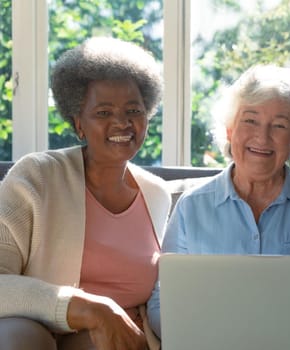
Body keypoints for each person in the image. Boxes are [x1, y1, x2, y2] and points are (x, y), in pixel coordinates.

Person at [147, 64, 290, 350]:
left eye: (279, 125)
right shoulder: (191, 207)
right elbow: (162, 301)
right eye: (250, 120)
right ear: (230, 130)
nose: (262, 136)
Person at [0, 37, 171, 350]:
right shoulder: (36, 176)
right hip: (38, 337)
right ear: (79, 124)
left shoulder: (157, 195)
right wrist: (92, 311)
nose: (122, 122)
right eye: (103, 113)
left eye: (133, 109)